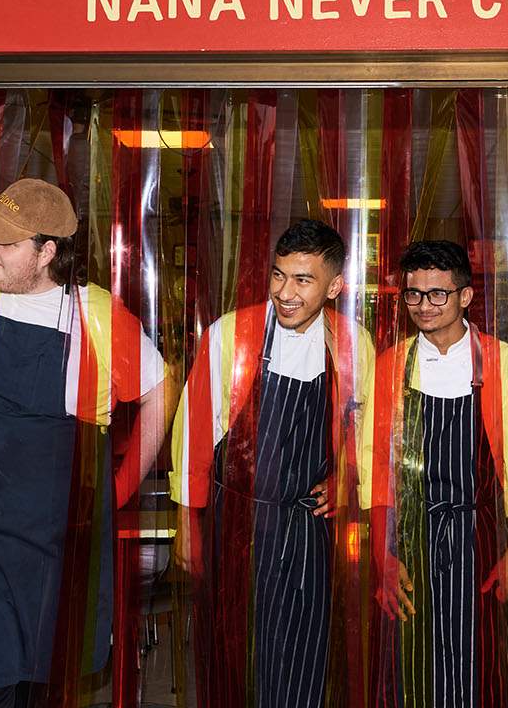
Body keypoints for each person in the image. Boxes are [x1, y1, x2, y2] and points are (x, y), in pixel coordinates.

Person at [0, 177, 174, 708]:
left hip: (52, 546)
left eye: (5, 242)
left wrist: (121, 485)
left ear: (46, 253)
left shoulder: (96, 316)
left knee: (41, 686)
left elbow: (160, 390)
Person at [170, 218, 374, 707]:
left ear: (335, 286)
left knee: (305, 653)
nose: (285, 292)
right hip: (236, 522)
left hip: (309, 529)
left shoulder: (352, 344)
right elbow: (194, 436)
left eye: (303, 280)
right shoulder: (232, 335)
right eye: (279, 275)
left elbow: (363, 427)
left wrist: (347, 479)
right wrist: (185, 524)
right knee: (235, 652)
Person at [359, 239, 508, 707]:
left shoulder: (504, 362)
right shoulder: (391, 366)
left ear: (465, 297)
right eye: (413, 294)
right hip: (411, 537)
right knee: (411, 665)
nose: (423, 305)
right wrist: (384, 558)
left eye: (437, 293)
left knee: (482, 663)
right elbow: (377, 470)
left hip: (480, 537)